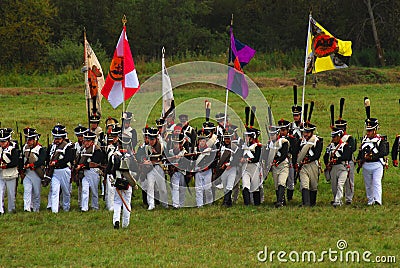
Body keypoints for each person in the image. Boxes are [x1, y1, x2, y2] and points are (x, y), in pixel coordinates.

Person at [357, 97, 388, 205]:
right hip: (366, 165)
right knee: (368, 184)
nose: (368, 132)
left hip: (377, 164)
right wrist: (360, 159)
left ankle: (377, 200)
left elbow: (383, 152)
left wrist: (372, 157)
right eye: (367, 130)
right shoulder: (364, 140)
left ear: (375, 130)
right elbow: (361, 151)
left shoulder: (380, 140)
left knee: (376, 182)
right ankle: (370, 201)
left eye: (370, 130)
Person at [296, 104, 323, 207]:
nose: (305, 134)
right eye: (304, 132)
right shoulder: (301, 141)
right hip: (303, 166)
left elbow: (317, 154)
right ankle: (305, 203)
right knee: (304, 184)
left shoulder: (317, 141)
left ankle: (312, 202)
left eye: (307, 132)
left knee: (313, 185)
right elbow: (297, 152)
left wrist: (309, 159)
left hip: (313, 165)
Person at [46, 124, 74, 213]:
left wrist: (56, 162)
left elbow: (68, 158)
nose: (56, 140)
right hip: (55, 171)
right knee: (54, 190)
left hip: (64, 170)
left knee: (66, 191)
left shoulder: (68, 146)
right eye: (55, 138)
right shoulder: (52, 147)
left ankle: (66, 208)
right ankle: (54, 210)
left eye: (58, 138)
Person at [334, 98, 357, 205]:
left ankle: (349, 198)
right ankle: (338, 198)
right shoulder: (335, 139)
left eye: (341, 128)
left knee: (349, 181)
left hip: (349, 162)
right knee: (337, 181)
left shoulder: (349, 138)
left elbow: (352, 149)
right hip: (338, 163)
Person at [108, 137, 133, 229]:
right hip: (128, 182)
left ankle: (116, 220)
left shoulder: (113, 156)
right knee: (127, 202)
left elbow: (109, 170)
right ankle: (125, 224)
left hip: (117, 182)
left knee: (117, 202)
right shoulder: (131, 156)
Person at [74, 131, 104, 211]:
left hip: (93, 172)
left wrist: (83, 165)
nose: (86, 142)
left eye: (88, 141)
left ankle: (95, 206)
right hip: (84, 172)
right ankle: (84, 207)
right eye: (85, 140)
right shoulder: (82, 149)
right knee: (84, 189)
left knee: (94, 191)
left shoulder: (96, 149)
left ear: (92, 141)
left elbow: (96, 161)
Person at [323, 127, 351, 207]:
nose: (333, 138)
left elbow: (346, 156)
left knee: (340, 184)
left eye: (335, 137)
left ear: (339, 136)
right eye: (333, 137)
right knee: (334, 186)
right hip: (333, 168)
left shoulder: (344, 146)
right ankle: (336, 198)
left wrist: (337, 160)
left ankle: (338, 201)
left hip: (342, 168)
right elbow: (325, 156)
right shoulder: (330, 146)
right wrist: (327, 164)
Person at [240, 107, 262, 206]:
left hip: (255, 168)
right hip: (245, 168)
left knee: (255, 187)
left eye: (248, 136)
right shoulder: (243, 146)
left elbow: (256, 158)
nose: (246, 138)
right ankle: (247, 204)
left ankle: (257, 204)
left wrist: (246, 159)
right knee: (245, 185)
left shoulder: (257, 146)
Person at [20, 127, 46, 212]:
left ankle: (36, 208)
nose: (28, 141)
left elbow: (41, 160)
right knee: (27, 190)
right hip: (27, 173)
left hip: (36, 173)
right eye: (28, 139)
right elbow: (21, 159)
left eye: (30, 139)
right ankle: (27, 208)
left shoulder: (40, 149)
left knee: (36, 192)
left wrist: (32, 165)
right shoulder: (25, 147)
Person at [144, 127, 168, 210]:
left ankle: (165, 203)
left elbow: (165, 157)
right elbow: (143, 157)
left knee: (162, 188)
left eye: (153, 140)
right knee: (150, 186)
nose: (151, 141)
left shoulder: (161, 146)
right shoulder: (146, 147)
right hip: (150, 169)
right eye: (150, 139)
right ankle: (151, 204)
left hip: (159, 168)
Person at [193, 128, 217, 208]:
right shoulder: (195, 149)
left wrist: (207, 167)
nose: (202, 142)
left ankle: (209, 202)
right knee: (198, 189)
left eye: (203, 141)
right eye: (200, 141)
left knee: (207, 188)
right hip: (198, 170)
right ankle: (199, 204)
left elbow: (213, 161)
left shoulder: (211, 149)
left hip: (207, 171)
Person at [217, 128, 240, 207]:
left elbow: (237, 158)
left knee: (229, 185)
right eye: (226, 138)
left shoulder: (235, 147)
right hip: (223, 169)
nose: (227, 140)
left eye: (228, 138)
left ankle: (226, 202)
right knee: (224, 184)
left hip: (232, 168)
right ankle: (228, 201)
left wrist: (230, 164)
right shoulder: (221, 146)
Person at [268, 125, 290, 207]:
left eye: (273, 134)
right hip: (274, 166)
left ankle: (280, 202)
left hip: (283, 165)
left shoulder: (283, 141)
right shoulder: (269, 144)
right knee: (276, 185)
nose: (272, 136)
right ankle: (280, 200)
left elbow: (284, 155)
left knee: (282, 182)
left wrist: (277, 161)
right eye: (271, 134)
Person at [278, 119, 298, 202]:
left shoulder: (292, 139)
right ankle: (281, 198)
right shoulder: (277, 139)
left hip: (289, 160)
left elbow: (294, 152)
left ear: (287, 130)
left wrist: (294, 163)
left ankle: (289, 197)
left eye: (283, 130)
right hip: (279, 161)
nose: (282, 132)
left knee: (290, 180)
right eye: (280, 130)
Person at [0, 128, 20, 214]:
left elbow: (15, 162)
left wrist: (6, 165)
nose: (2, 143)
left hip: (10, 174)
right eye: (1, 141)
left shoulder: (13, 149)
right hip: (0, 174)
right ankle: (0, 210)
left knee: (11, 194)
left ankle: (11, 209)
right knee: (0, 192)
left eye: (3, 141)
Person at [166, 133, 188, 208]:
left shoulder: (185, 152)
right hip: (174, 172)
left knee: (182, 188)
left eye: (178, 143)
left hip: (182, 172)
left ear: (182, 143)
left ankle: (181, 204)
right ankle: (175, 204)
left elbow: (187, 164)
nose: (176, 145)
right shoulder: (170, 152)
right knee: (175, 187)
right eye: (175, 143)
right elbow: (167, 161)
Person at [104, 125, 121, 211]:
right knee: (109, 190)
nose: (114, 139)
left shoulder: (122, 148)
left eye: (116, 137)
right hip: (110, 170)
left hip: (118, 171)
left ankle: (116, 205)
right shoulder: (109, 147)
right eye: (113, 137)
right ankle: (110, 206)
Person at [72, 124, 88, 209]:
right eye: (79, 136)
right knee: (79, 185)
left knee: (85, 187)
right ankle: (80, 203)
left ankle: (85, 204)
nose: (80, 138)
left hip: (85, 167)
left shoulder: (87, 146)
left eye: (82, 136)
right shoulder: (75, 146)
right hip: (77, 167)